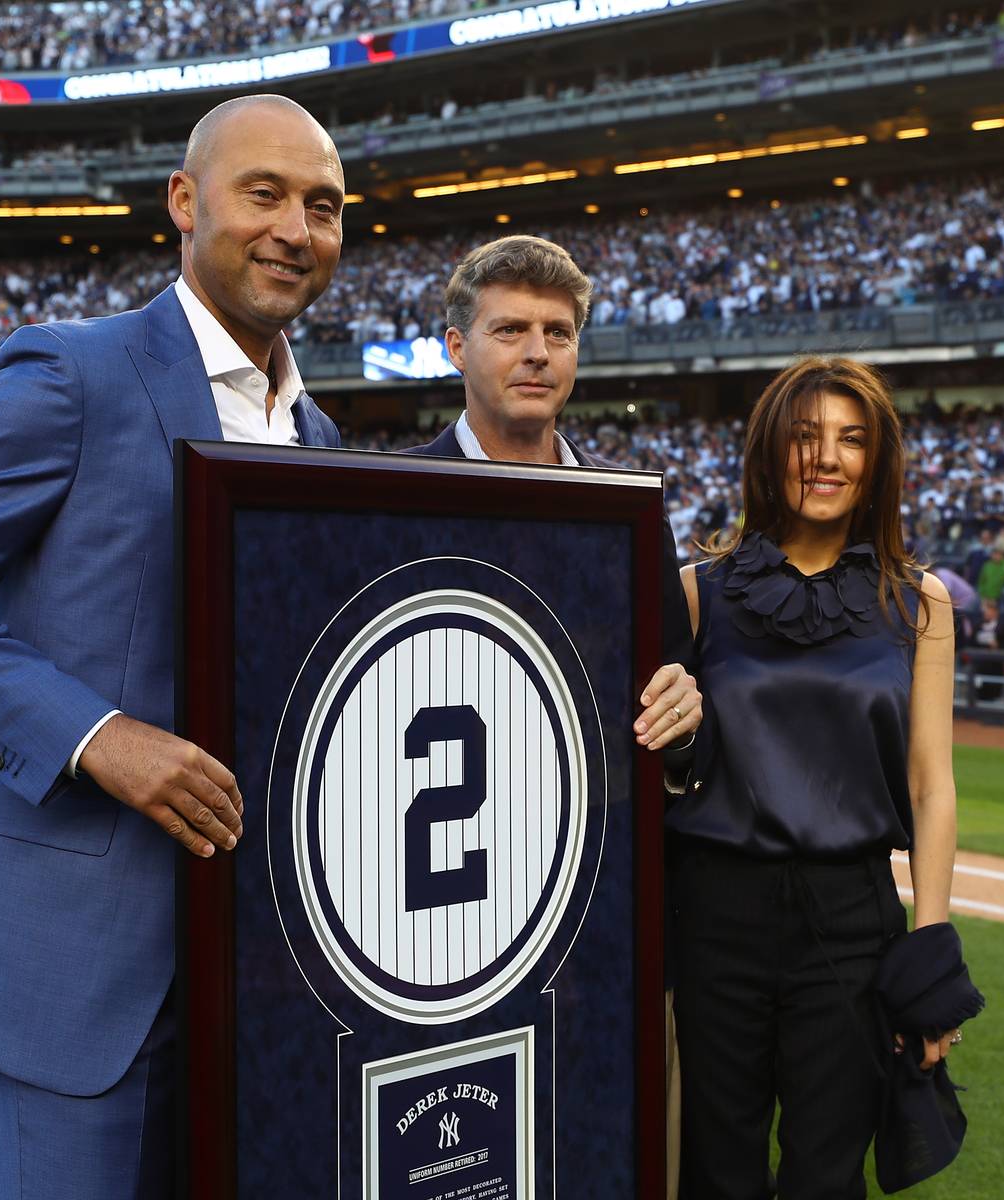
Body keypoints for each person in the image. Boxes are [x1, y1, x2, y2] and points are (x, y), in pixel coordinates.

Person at [0, 94, 345, 1197]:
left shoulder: (319, 435)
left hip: (265, 965)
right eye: (264, 193)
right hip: (77, 962)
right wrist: (95, 734)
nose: (295, 229)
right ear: (184, 201)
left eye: (323, 205)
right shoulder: (72, 370)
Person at [407, 234, 701, 1200]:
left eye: (558, 332)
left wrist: (686, 719)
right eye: (511, 331)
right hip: (438, 926)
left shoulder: (630, 507)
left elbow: (676, 696)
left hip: (601, 913)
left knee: (600, 1151)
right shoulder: (387, 499)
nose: (537, 352)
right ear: (457, 346)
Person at [667, 356, 971, 1199]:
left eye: (851, 439)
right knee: (714, 1174)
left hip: (850, 918)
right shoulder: (696, 592)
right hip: (714, 913)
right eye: (805, 436)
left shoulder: (920, 602)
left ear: (878, 461)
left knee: (827, 1178)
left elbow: (931, 787)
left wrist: (930, 958)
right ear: (771, 452)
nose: (827, 457)